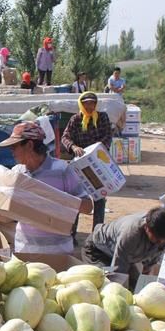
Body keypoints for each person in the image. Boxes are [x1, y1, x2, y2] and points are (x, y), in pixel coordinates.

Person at [0, 122, 93, 254]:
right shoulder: (17, 174)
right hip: (24, 249)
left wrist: (53, 199)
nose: (11, 151)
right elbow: (3, 207)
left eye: (14, 147)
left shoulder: (62, 170)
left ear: (29, 145)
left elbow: (87, 207)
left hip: (58, 251)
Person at [81, 207, 165, 290]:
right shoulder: (131, 234)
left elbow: (149, 264)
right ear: (147, 228)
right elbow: (118, 271)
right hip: (97, 251)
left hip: (125, 256)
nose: (161, 243)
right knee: (102, 283)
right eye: (157, 239)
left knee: (136, 287)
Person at [61, 91, 113, 228]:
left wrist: (98, 149)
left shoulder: (102, 117)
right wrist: (74, 147)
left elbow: (108, 135)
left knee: (99, 198)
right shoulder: (75, 119)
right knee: (77, 198)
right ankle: (71, 233)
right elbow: (65, 137)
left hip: (98, 163)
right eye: (86, 103)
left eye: (92, 103)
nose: (89, 106)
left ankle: (97, 233)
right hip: (80, 164)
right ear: (81, 104)